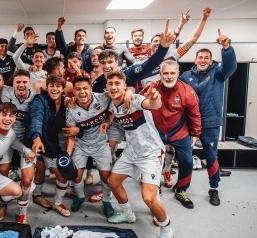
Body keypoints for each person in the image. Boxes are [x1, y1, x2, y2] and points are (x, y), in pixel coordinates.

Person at [101, 71, 173, 238]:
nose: (113, 87)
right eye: (110, 84)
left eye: (117, 83)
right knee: (112, 181)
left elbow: (152, 104)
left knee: (148, 198)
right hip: (131, 151)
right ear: (106, 87)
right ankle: (128, 214)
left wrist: (155, 99)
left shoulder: (135, 100)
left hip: (151, 152)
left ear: (125, 86)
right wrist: (108, 121)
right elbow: (113, 111)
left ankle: (166, 230)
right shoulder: (112, 104)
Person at [179, 28, 237, 206]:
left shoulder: (218, 74)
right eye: (200, 57)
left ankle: (214, 188)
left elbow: (230, 66)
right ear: (195, 60)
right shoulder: (185, 76)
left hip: (210, 124)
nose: (203, 60)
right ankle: (181, 189)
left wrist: (226, 48)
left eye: (206, 57)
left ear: (210, 60)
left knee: (212, 157)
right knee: (186, 159)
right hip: (189, 125)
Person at [0, 69, 37, 224]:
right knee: (3, 172)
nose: (21, 85)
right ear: (12, 84)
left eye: (25, 82)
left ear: (30, 84)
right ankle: (2, 204)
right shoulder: (5, 92)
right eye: (18, 82)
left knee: (27, 179)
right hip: (5, 138)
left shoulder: (35, 97)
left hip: (24, 141)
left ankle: (23, 212)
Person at [146, 60, 201, 210]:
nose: (169, 76)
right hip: (156, 132)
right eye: (166, 73)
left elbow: (195, 114)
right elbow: (139, 104)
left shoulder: (187, 91)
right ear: (160, 74)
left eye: (172, 73)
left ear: (178, 74)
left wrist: (196, 133)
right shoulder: (152, 88)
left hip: (179, 131)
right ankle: (155, 186)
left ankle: (181, 190)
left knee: (187, 161)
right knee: (153, 162)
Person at [24, 75, 73, 218]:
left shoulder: (67, 103)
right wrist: (36, 137)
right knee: (38, 166)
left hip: (52, 144)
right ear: (47, 87)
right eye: (51, 85)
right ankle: (37, 195)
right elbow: (36, 118)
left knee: (62, 176)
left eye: (58, 86)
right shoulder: (39, 100)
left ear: (63, 89)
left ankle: (57, 202)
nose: (54, 89)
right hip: (34, 141)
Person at [65, 76, 114, 217]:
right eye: (78, 89)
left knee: (106, 177)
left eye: (85, 88)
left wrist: (109, 121)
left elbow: (119, 98)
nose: (82, 92)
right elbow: (72, 134)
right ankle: (80, 197)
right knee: (76, 177)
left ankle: (106, 201)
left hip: (100, 144)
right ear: (73, 92)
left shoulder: (103, 98)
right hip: (82, 145)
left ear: (91, 89)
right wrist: (68, 152)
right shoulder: (71, 109)